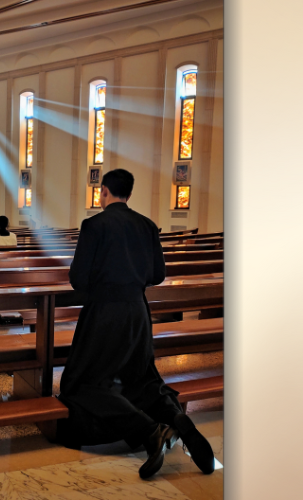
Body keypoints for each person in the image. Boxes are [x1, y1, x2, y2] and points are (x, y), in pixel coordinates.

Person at [56, 169, 215, 479]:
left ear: (103, 191)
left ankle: (150, 430)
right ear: (128, 194)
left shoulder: (94, 225)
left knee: (84, 384)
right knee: (141, 379)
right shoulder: (147, 225)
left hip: (105, 314)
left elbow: (78, 279)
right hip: (138, 313)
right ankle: (179, 420)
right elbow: (157, 275)